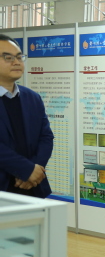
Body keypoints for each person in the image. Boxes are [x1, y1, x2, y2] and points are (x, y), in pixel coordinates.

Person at [0, 34, 54, 198]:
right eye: (8, 57)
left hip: (32, 188)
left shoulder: (32, 97)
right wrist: (27, 170)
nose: (16, 62)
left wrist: (35, 170)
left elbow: (46, 137)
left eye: (19, 57)